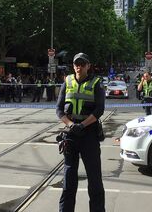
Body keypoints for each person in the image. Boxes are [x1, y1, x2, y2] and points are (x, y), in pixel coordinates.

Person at [56, 53, 105, 212]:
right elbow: (58, 109)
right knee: (69, 179)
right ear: (73, 65)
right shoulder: (67, 81)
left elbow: (99, 109)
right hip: (71, 135)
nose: (79, 66)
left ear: (88, 66)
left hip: (89, 134)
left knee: (95, 179)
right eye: (77, 64)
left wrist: (82, 125)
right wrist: (70, 124)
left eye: (82, 64)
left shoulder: (96, 82)